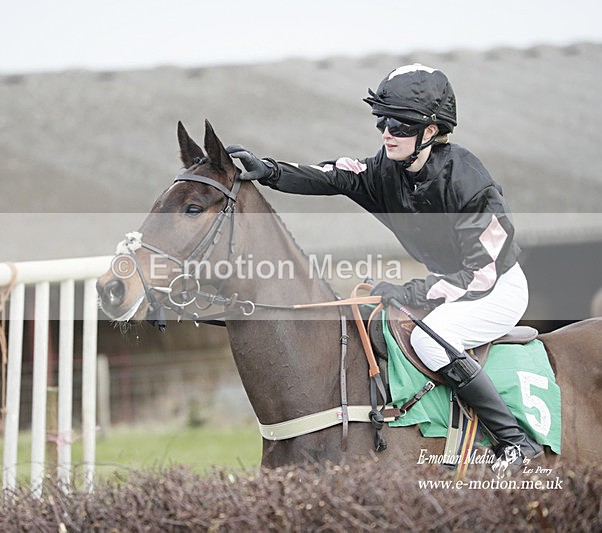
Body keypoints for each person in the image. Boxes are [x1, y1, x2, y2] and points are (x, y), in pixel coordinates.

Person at [226, 63, 542, 471]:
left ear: (430, 132)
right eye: (382, 122)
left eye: (399, 124)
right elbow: (333, 175)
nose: (386, 133)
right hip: (449, 284)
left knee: (432, 342)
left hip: (495, 287)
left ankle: (515, 442)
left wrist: (411, 292)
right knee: (376, 324)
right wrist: (268, 170)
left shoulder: (470, 183)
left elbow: (481, 274)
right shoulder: (385, 170)